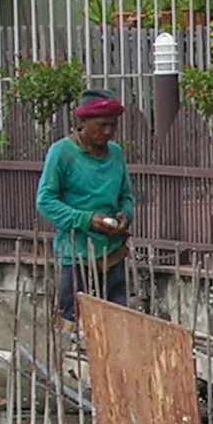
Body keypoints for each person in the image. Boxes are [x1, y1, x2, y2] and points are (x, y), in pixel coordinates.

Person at [37, 94, 134, 315]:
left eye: (113, 125)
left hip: (113, 255)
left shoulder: (115, 153)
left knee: (117, 320)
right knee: (73, 321)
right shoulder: (62, 152)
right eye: (102, 125)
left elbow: (126, 195)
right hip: (76, 256)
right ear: (83, 122)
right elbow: (45, 201)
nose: (108, 131)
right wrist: (86, 220)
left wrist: (125, 214)